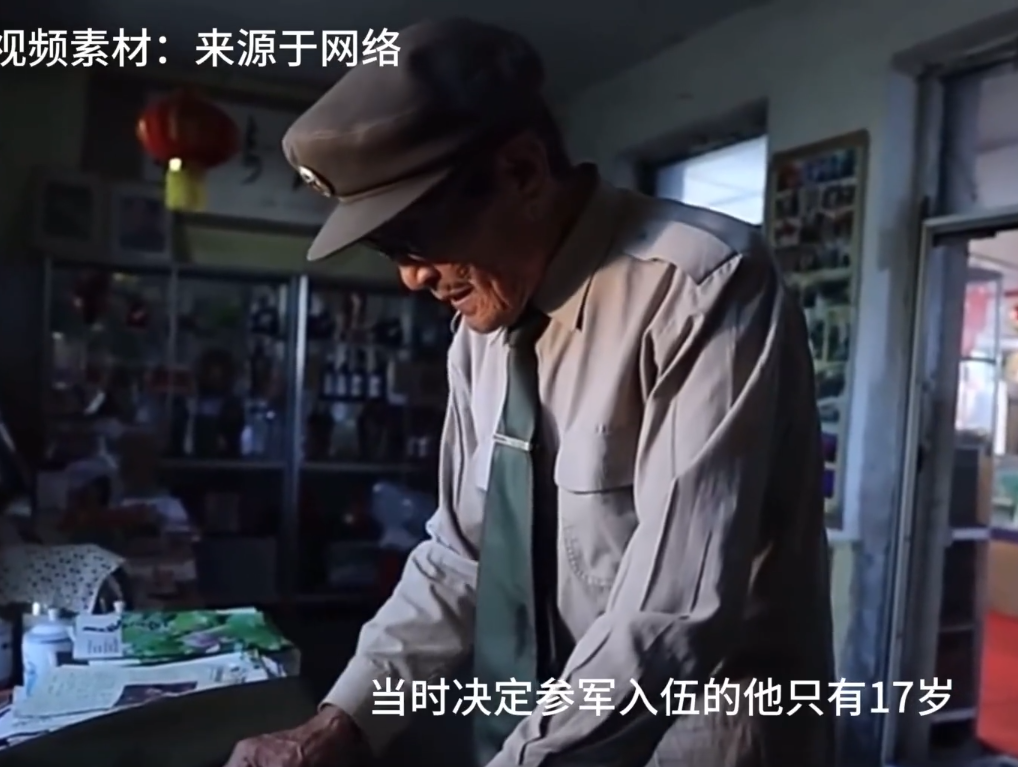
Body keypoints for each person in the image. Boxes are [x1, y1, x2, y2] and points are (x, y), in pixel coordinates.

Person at [223, 17, 834, 767]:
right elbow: (462, 554)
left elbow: (674, 607)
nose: (411, 276)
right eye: (389, 251)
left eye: (417, 238)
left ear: (522, 171)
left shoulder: (702, 288)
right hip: (543, 731)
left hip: (693, 742)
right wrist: (339, 723)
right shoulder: (481, 329)